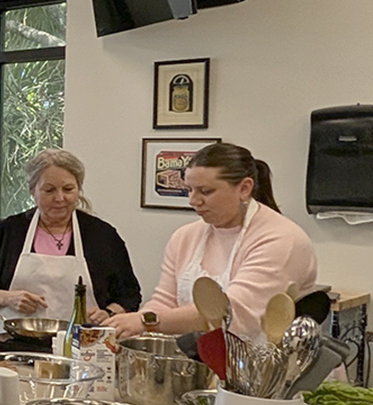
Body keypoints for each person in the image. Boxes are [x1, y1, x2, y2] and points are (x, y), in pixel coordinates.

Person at [106, 142, 317, 341]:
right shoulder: (185, 237)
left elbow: (232, 313)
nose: (193, 201)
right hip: (204, 360)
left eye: (206, 191)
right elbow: (165, 300)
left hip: (270, 368)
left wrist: (147, 321)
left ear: (244, 188)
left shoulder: (280, 239)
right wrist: (133, 329)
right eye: (190, 189)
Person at [0, 148, 142, 333]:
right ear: (33, 190)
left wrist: (108, 313)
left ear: (78, 189)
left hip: (82, 347)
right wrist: (7, 298)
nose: (60, 198)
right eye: (49, 190)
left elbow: (129, 295)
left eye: (68, 189)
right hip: (11, 345)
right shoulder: (9, 232)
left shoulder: (102, 236)